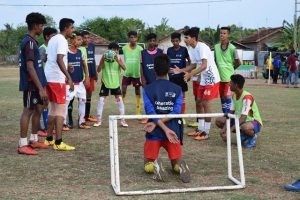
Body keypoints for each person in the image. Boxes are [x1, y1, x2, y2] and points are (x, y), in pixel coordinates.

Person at [143, 54, 190, 183]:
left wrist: (158, 125)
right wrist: (167, 129)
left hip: (154, 131)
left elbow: (151, 113)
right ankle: (179, 168)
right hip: (173, 131)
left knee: (147, 162)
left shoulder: (147, 89)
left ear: (154, 70)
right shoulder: (178, 89)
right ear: (169, 69)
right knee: (176, 161)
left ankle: (155, 167)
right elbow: (176, 111)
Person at [181, 27, 221, 141]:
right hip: (203, 78)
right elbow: (193, 65)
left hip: (211, 78)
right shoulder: (191, 48)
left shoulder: (202, 47)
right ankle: (200, 128)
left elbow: (203, 65)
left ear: (193, 38)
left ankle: (206, 132)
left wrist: (190, 75)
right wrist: (181, 70)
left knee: (205, 103)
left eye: (186, 37)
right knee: (198, 101)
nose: (185, 40)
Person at [18, 12, 49, 155]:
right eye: (42, 25)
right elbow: (30, 67)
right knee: (28, 110)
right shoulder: (29, 42)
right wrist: (39, 88)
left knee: (39, 108)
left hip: (37, 83)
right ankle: (22, 144)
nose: (42, 28)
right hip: (31, 84)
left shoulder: (32, 41)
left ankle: (34, 139)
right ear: (36, 25)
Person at [44, 18, 75, 151]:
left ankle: (49, 139)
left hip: (49, 77)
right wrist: (69, 77)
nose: (72, 30)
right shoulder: (62, 40)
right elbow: (59, 59)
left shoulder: (52, 39)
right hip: (57, 79)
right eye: (72, 28)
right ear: (66, 28)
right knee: (61, 111)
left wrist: (67, 68)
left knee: (52, 110)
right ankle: (58, 142)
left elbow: (49, 58)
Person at [215, 74, 263, 148]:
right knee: (219, 121)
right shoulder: (234, 95)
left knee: (245, 127)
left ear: (236, 85)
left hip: (253, 122)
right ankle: (243, 135)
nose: (229, 84)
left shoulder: (247, 97)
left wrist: (229, 131)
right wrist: (224, 129)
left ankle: (253, 136)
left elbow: (243, 118)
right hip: (239, 120)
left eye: (231, 83)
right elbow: (230, 113)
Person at [94, 42, 128, 127]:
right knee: (101, 100)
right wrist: (102, 61)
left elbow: (124, 68)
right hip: (105, 82)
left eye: (115, 50)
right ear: (108, 50)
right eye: (112, 50)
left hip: (115, 83)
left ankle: (123, 120)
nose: (113, 52)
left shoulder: (118, 58)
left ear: (117, 51)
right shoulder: (104, 57)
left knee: (119, 100)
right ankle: (98, 120)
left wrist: (117, 60)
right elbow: (98, 70)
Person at [63, 31, 91, 130]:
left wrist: (87, 77)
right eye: (78, 39)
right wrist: (67, 67)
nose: (80, 41)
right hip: (69, 83)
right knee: (66, 103)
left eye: (81, 39)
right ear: (72, 40)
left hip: (80, 83)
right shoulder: (66, 52)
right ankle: (64, 123)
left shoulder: (80, 52)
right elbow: (61, 65)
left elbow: (84, 65)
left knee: (83, 101)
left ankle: (81, 122)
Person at [214, 26, 240, 113]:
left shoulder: (232, 48)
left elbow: (238, 62)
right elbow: (215, 62)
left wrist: (231, 69)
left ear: (228, 35)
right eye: (221, 33)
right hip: (219, 77)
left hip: (229, 78)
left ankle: (229, 118)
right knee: (222, 98)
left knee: (227, 97)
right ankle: (225, 117)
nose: (222, 35)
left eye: (224, 33)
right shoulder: (216, 47)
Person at [37, 27, 57, 137]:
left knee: (48, 104)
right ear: (47, 37)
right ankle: (41, 128)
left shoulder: (52, 48)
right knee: (43, 103)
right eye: (53, 36)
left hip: (50, 79)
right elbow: (38, 66)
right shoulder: (42, 48)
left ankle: (46, 126)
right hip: (43, 80)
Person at [167, 32, 190, 120]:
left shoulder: (184, 49)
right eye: (173, 41)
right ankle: (174, 114)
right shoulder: (169, 50)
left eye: (177, 41)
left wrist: (188, 72)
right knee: (172, 96)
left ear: (180, 41)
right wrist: (168, 69)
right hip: (172, 77)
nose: (175, 43)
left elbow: (189, 61)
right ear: (171, 41)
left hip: (182, 77)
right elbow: (167, 62)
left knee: (182, 97)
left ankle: (182, 116)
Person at [121, 31, 144, 116]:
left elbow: (142, 61)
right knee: (123, 90)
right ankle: (122, 111)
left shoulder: (140, 49)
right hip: (126, 73)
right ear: (128, 38)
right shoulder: (124, 48)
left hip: (136, 73)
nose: (133, 39)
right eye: (131, 37)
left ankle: (138, 111)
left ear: (137, 38)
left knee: (137, 91)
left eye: (134, 37)